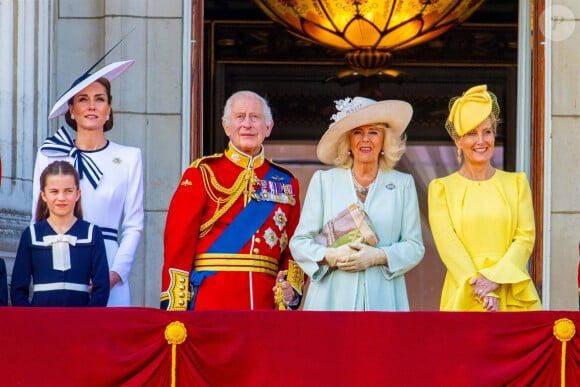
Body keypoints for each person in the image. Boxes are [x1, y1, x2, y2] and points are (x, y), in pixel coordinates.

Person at [160, 90, 303, 311]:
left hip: (264, 305)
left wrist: (290, 291)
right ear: (226, 126)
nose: (247, 124)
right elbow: (178, 244)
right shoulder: (203, 174)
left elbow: (295, 248)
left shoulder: (286, 182)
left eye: (255, 117)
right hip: (210, 301)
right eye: (240, 117)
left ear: (268, 127)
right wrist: (176, 308)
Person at [289, 96, 425, 311]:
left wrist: (378, 256)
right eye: (357, 132)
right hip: (330, 302)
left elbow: (414, 246)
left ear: (384, 140)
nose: (365, 139)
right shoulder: (324, 181)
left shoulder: (402, 184)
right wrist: (332, 256)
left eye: (373, 132)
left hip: (384, 302)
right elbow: (299, 243)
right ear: (348, 140)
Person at [32, 60, 143, 307]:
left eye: (99, 99)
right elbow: (37, 219)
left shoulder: (129, 157)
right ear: (71, 109)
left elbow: (134, 225)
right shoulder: (50, 154)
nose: (91, 106)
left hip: (109, 261)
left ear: (109, 108)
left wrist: (114, 274)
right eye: (83, 99)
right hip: (58, 263)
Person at [428, 84, 542, 312]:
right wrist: (482, 287)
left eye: (487, 131)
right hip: (465, 292)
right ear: (458, 141)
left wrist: (496, 279)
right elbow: (449, 247)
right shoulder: (441, 189)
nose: (481, 140)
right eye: (471, 133)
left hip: (512, 289)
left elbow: (525, 238)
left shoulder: (517, 183)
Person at [11, 161, 109, 306]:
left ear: (77, 194)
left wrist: (88, 321)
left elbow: (102, 288)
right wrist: (30, 321)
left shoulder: (92, 233)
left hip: (80, 321)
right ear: (44, 195)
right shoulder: (31, 234)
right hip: (40, 321)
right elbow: (18, 288)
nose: (61, 197)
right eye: (54, 191)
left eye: (68, 191)